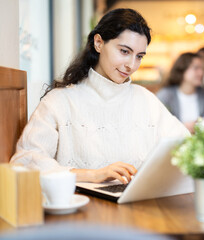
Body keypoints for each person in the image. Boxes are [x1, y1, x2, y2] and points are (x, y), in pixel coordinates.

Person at [10, 8, 189, 184]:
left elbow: (186, 148)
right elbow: (24, 162)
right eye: (124, 51)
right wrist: (93, 175)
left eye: (139, 56)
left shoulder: (146, 100)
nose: (131, 65)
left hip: (139, 206)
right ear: (99, 43)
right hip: (81, 209)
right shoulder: (60, 101)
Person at [156, 52, 204, 133]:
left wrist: (202, 125)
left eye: (202, 69)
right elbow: (156, 124)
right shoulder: (165, 95)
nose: (201, 73)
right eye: (196, 68)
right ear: (182, 70)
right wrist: (181, 127)